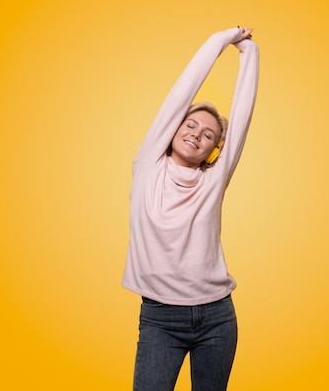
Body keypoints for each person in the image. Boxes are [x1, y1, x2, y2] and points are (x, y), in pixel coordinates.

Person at [122, 26, 259, 391]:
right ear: (173, 127)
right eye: (190, 124)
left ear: (214, 148)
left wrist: (250, 55)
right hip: (160, 318)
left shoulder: (214, 180)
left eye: (209, 134)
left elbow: (242, 117)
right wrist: (220, 40)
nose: (197, 134)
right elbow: (181, 92)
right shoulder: (149, 164)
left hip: (217, 317)